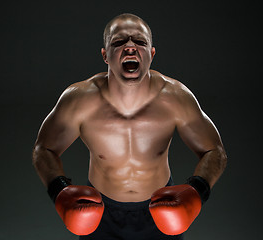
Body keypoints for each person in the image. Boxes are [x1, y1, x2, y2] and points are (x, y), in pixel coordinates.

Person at [32, 13, 227, 240]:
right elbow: (43, 149)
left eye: (140, 42)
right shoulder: (80, 100)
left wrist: (197, 191)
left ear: (152, 54)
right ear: (105, 55)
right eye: (119, 42)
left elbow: (215, 151)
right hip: (99, 213)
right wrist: (59, 192)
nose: (130, 47)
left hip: (161, 212)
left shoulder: (175, 98)